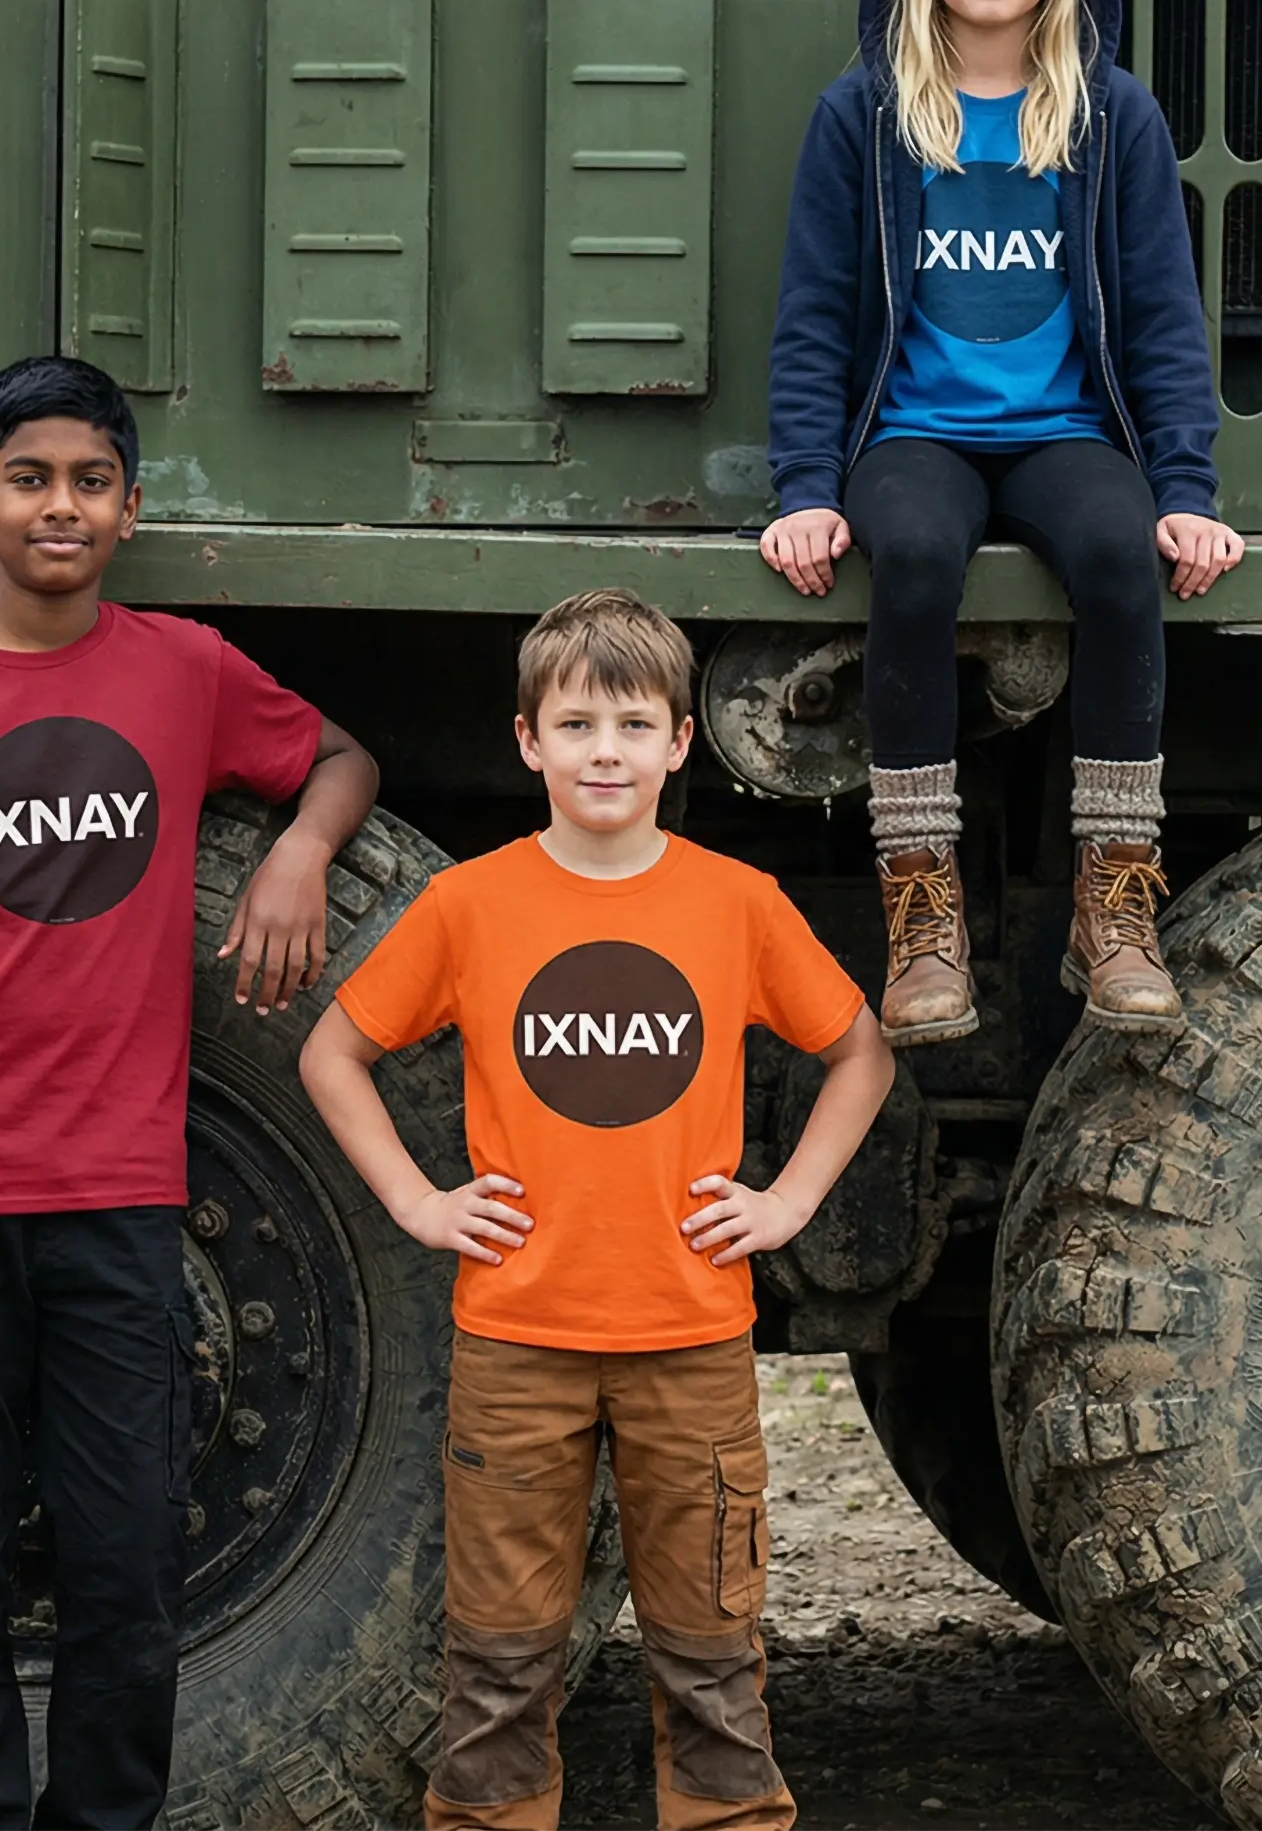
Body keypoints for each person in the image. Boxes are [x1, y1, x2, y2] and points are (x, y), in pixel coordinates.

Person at [0, 355, 378, 1831]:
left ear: (128, 509)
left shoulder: (181, 671)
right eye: (31, 480)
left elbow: (338, 758)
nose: (62, 506)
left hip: (120, 1203)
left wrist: (302, 850)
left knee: (126, 1574)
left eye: (92, 482)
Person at [300, 588, 892, 1831]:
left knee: (713, 1659)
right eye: (576, 724)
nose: (605, 750)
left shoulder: (732, 901)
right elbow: (330, 1052)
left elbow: (861, 1054)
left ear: (681, 740)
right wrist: (417, 1198)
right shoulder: (472, 904)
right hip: (517, 1340)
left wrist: (785, 1200)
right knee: (499, 1666)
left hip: (691, 1338)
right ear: (528, 742)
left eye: (632, 723)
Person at [761, 0, 1244, 1043]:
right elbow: (813, 312)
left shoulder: (1106, 115)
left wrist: (1183, 492)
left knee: (1114, 550)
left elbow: (1160, 321)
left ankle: (1111, 902)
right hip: (911, 432)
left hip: (1060, 432)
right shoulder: (862, 115)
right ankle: (920, 917)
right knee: (911, 553)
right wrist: (806, 487)